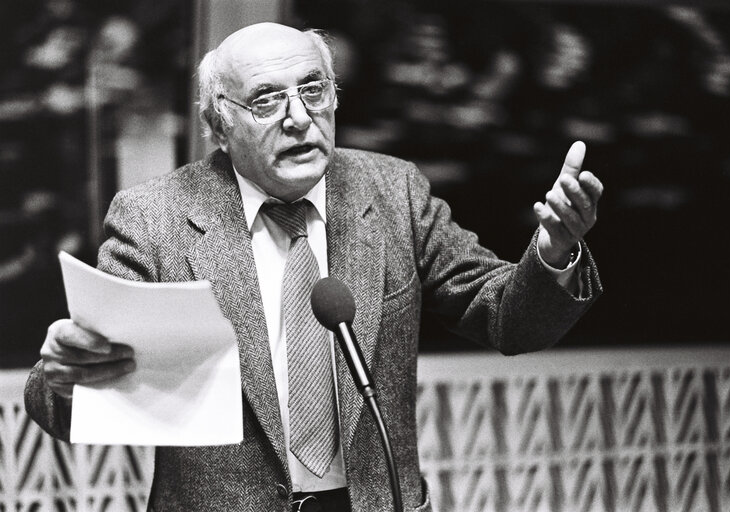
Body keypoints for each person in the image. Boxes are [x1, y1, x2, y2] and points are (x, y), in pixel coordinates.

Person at [24, 22, 603, 512]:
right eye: (267, 99)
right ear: (219, 125)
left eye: (313, 90)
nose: (299, 117)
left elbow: (506, 318)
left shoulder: (392, 189)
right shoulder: (156, 219)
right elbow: (78, 395)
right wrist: (62, 375)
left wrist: (553, 250)